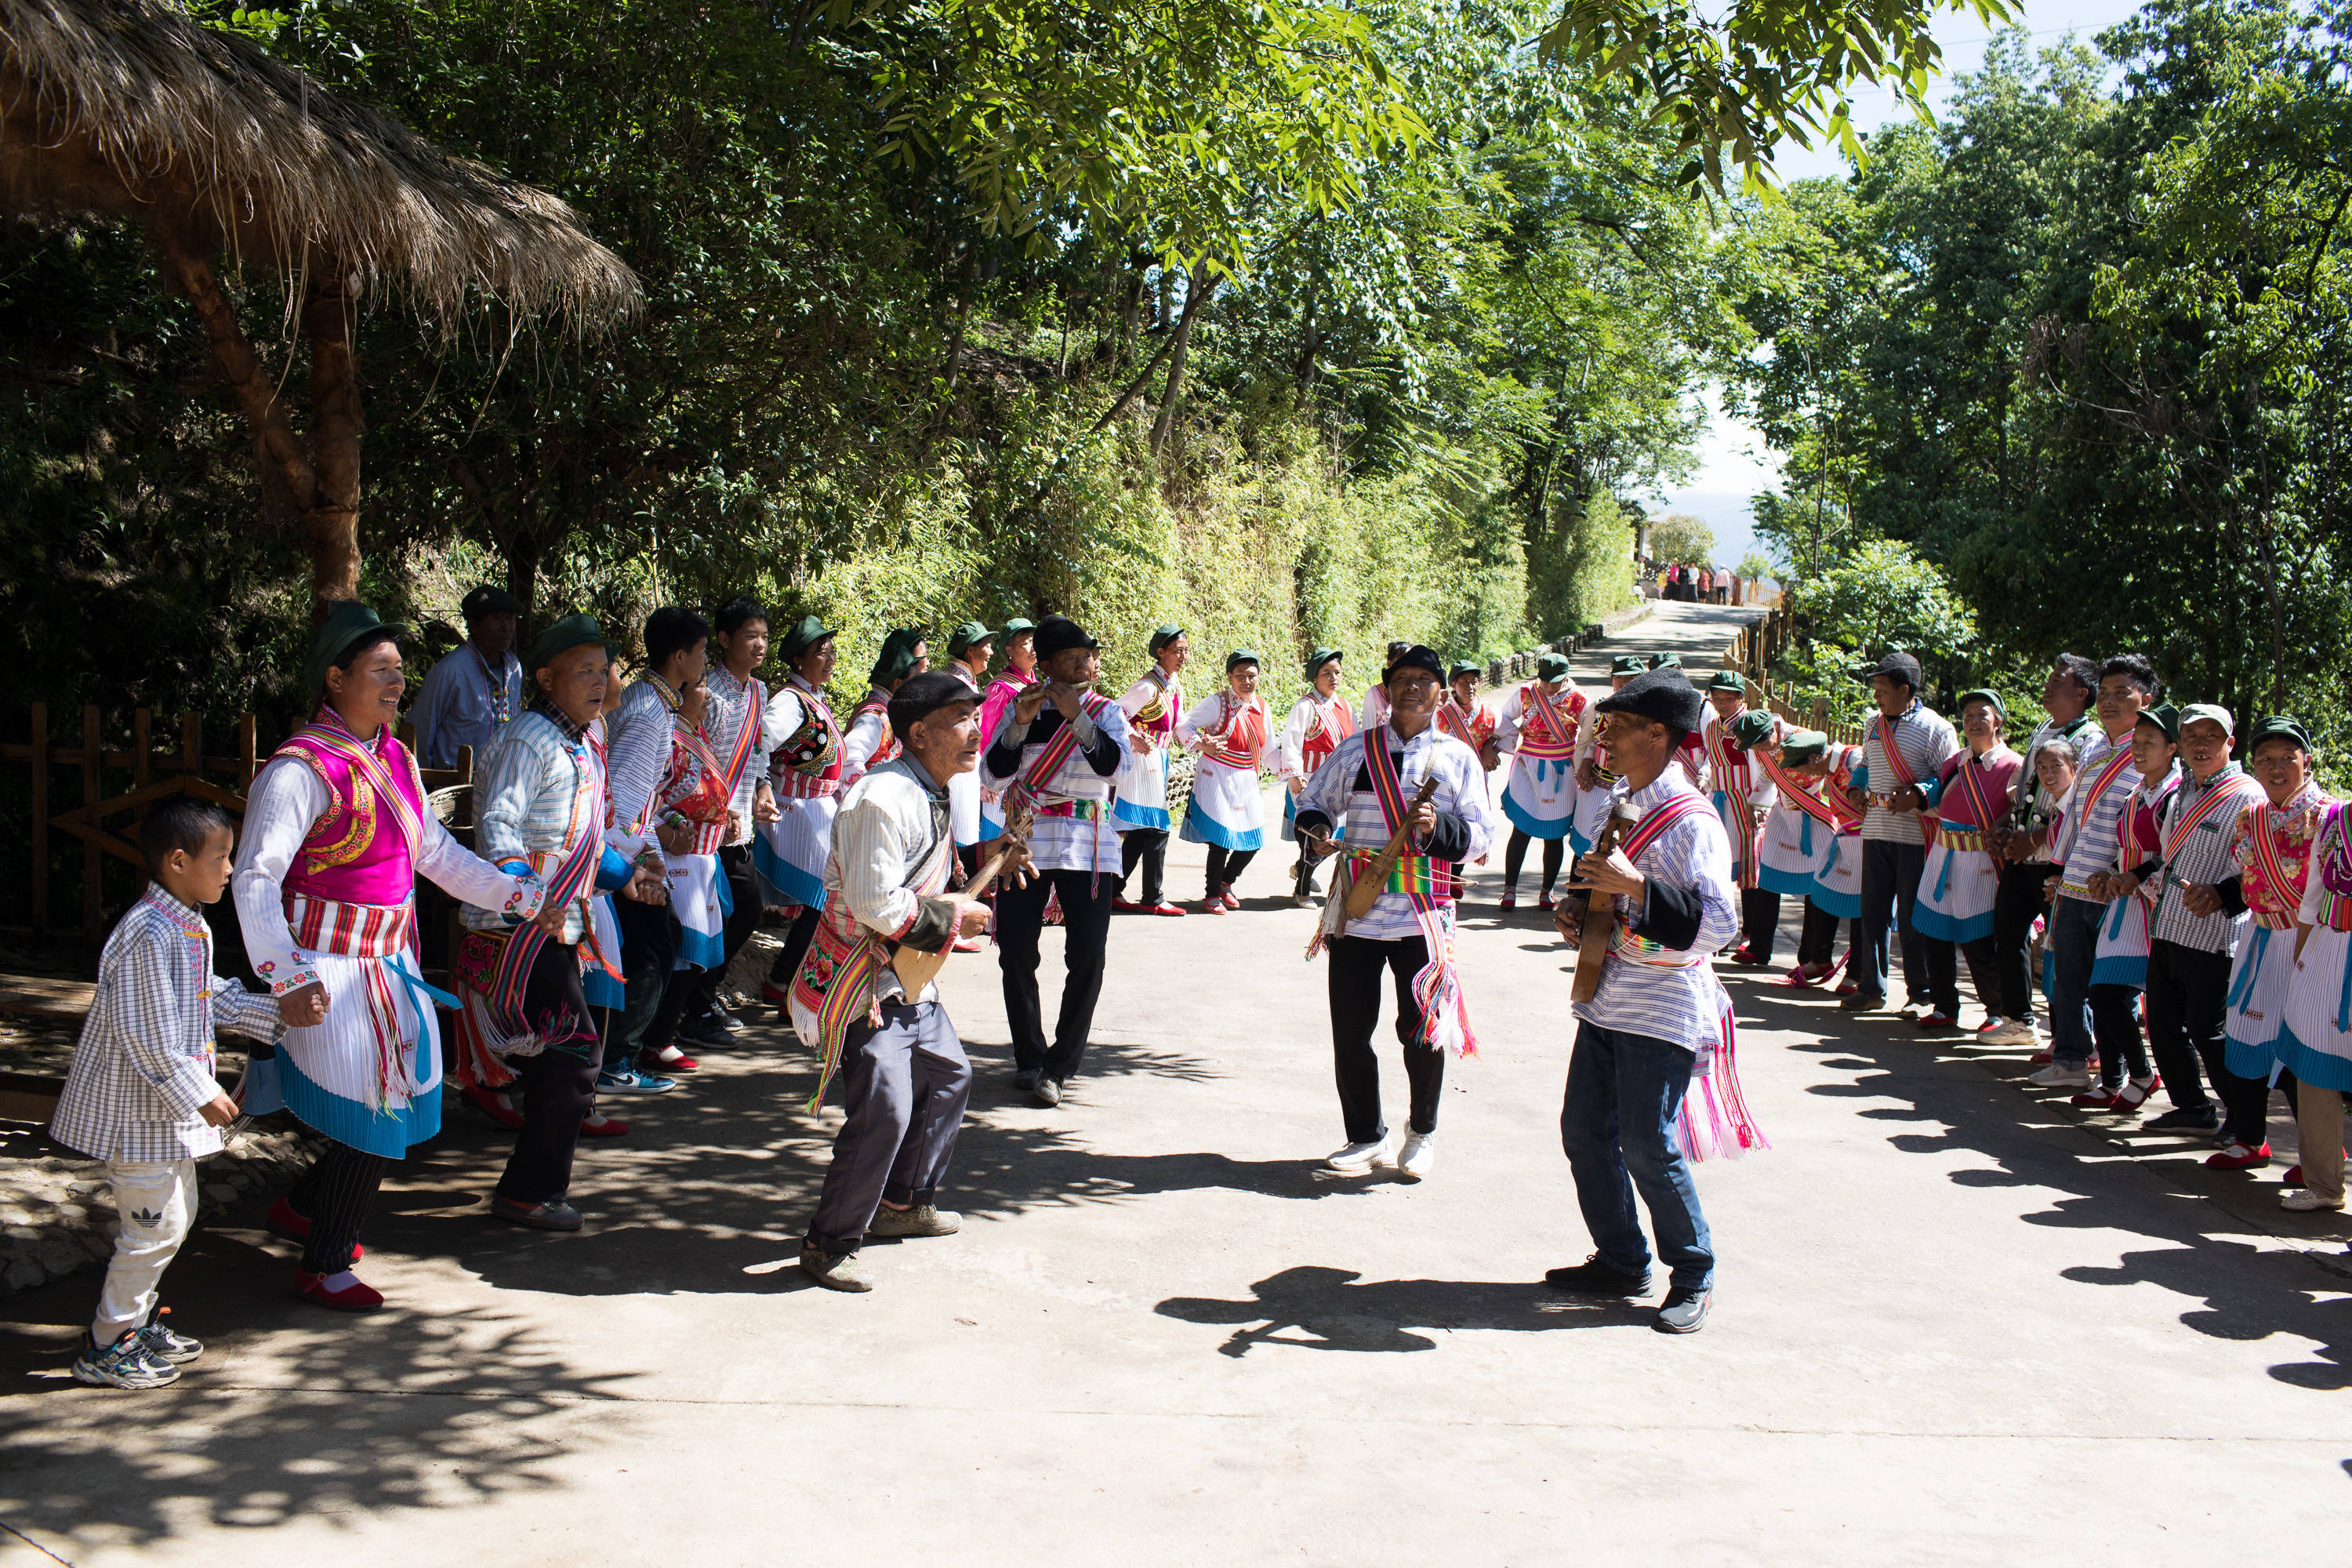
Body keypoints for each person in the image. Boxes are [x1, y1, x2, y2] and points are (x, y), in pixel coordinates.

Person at [234, 604, 541, 1310]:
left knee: (390, 1109)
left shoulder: (393, 757)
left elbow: (433, 853)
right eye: (382, 670)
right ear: (335, 678)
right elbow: (255, 877)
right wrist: (284, 975)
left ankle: (307, 1209)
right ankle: (325, 1263)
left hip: (390, 962)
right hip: (330, 967)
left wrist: (514, 895)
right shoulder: (299, 770)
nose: (398, 683)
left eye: (401, 671)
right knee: (375, 1115)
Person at [1547, 666, 1759, 1336]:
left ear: (1660, 735)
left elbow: (1721, 925)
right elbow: (1612, 883)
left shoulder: (1693, 819)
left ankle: (1693, 1271)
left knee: (1647, 1143)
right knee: (1583, 1132)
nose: (1602, 737)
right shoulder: (1625, 803)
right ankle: (1621, 1257)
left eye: (1619, 726)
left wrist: (1635, 891)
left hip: (1662, 1004)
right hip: (1608, 997)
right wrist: (1580, 908)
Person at [52, 799, 281, 1388]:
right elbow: (146, 1034)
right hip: (137, 1116)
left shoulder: (185, 922)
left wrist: (274, 1014)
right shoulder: (144, 935)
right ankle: (106, 1345)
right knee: (154, 1229)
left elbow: (209, 995)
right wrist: (201, 1092)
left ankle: (135, 1322)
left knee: (175, 1221)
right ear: (178, 861)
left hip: (164, 1118)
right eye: (222, 858)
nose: (230, 869)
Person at [794, 672, 1010, 1291]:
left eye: (976, 716)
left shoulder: (931, 791)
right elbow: (873, 903)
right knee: (885, 1110)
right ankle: (828, 1243)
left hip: (907, 973)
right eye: (961, 719)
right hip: (865, 979)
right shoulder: (881, 798)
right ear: (918, 733)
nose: (976, 731)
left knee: (948, 1079)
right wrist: (954, 913)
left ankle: (901, 1205)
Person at [453, 615, 666, 1230]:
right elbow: (499, 825)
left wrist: (626, 875)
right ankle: (528, 1191)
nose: (600, 682)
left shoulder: (585, 740)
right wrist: (527, 896)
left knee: (563, 1048)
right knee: (574, 1052)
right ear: (546, 679)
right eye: (584, 671)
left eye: (605, 670)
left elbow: (581, 838)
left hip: (558, 920)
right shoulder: (528, 740)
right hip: (518, 925)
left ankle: (533, 1183)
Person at [1294, 645, 1496, 1178]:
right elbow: (1315, 801)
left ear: (1442, 692)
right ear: (1385, 691)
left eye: (1425, 680)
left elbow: (1480, 838)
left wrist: (1437, 830)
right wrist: (1315, 832)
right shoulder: (1356, 750)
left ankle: (1422, 1132)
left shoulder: (1457, 758)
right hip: (1358, 911)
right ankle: (1366, 1136)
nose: (1412, 687)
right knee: (1351, 1030)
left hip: (1422, 915)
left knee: (1422, 1030)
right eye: (1402, 679)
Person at [985, 615, 1133, 1105]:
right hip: (1027, 841)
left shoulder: (1107, 712)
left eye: (1087, 655)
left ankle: (1060, 1065)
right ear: (1046, 665)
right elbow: (994, 773)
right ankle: (1029, 1056)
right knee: (1016, 950)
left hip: (1088, 844)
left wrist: (1079, 719)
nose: (1083, 664)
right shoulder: (1022, 709)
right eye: (1070, 658)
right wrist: (1019, 727)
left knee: (1088, 954)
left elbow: (1116, 770)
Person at [2214, 719, 2336, 1202]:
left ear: (2307, 760)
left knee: (2299, 1045)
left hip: (2308, 942)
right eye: (2265, 758)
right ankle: (2249, 1136)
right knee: (2245, 1032)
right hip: (2260, 936)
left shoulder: (2328, 815)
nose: (2276, 766)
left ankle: (2320, 1158)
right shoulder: (2253, 815)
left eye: (2288, 756)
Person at [2023, 655, 2159, 1087]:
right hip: (2076, 882)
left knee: (2109, 991)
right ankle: (2071, 1061)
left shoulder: (2151, 752)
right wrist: (2058, 869)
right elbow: (2074, 815)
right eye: (2107, 693)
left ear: (2147, 699)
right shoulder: (2097, 746)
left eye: (2125, 693)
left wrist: (2124, 872)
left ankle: (2117, 1073)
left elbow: (2151, 825)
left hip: (2116, 889)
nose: (2111, 702)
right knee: (2068, 979)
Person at [2133, 706, 2267, 1132]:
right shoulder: (2183, 790)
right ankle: (2192, 1106)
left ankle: (2245, 1122)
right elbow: (2168, 858)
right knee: (2163, 1026)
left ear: (2230, 743)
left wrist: (2222, 895)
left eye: (2212, 736)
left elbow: (2260, 868)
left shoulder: (2248, 796)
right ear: (2181, 745)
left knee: (2210, 1033)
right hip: (2169, 926)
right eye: (2191, 736)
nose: (2201, 744)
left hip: (2214, 936)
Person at [593, 608, 706, 1090]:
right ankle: (617, 1059)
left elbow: (641, 794)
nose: (705, 662)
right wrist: (640, 857)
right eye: (701, 653)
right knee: (653, 950)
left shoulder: (651, 702)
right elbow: (621, 796)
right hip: (617, 851)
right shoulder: (649, 711)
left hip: (624, 846)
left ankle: (621, 1053)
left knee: (654, 944)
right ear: (679, 656)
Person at [671, 597, 784, 1042]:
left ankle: (703, 995)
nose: (759, 646)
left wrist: (761, 787)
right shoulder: (704, 691)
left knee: (746, 909)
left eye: (764, 637)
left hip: (737, 821)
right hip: (701, 823)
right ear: (723, 640)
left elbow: (756, 749)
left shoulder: (758, 691)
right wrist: (718, 807)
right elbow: (688, 755)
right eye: (750, 636)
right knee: (714, 914)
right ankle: (695, 1008)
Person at [1983, 655, 2098, 1047]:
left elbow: (2082, 801)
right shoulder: (2043, 729)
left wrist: (2037, 837)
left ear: (2081, 692)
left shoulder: (2091, 739)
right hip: (2022, 856)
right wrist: (2003, 824)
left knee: (2064, 948)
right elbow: (2024, 787)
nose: (2047, 686)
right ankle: (2019, 1020)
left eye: (2057, 680)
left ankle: (2074, 1036)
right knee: (2008, 932)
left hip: (2058, 860)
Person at [2072, 704, 2181, 1109]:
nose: (2138, 749)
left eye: (2149, 742)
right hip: (2124, 905)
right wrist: (2111, 872)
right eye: (2135, 742)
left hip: (2152, 906)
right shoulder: (2138, 793)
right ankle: (2116, 1075)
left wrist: (2134, 876)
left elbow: (2168, 855)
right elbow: (2127, 850)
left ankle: (2143, 1074)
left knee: (2114, 996)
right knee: (2101, 993)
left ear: (2172, 748)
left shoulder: (2175, 795)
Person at [1846, 652, 1959, 1014]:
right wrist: (1855, 787)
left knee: (1913, 916)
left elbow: (1950, 777)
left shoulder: (1936, 728)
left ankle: (1920, 992)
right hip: (1876, 829)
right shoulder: (1872, 724)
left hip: (1916, 835)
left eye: (1882, 689)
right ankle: (1871, 986)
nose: (1876, 697)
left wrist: (1920, 793)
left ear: (1905, 689)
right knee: (1873, 912)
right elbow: (1865, 765)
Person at [1911, 690, 2021, 1032]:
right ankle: (1945, 1007)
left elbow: (2019, 811)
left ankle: (1996, 1010)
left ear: (1998, 721)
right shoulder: (1954, 762)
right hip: (1945, 852)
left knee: (1978, 938)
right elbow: (1941, 802)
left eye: (1982, 715)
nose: (1974, 721)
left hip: (1980, 858)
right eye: (1969, 716)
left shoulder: (2013, 766)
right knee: (1935, 932)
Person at [756, 616, 848, 1016]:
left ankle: (788, 982)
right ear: (799, 658)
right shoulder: (790, 702)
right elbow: (758, 741)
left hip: (815, 812)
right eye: (820, 651)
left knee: (824, 899)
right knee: (822, 899)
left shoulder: (811, 698)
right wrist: (762, 785)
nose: (829, 657)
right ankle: (783, 982)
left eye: (830, 650)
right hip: (793, 813)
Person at [1755, 728, 1863, 987]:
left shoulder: (1855, 760)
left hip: (1870, 841)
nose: (1804, 775)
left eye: (1802, 767)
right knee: (1822, 889)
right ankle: (1820, 958)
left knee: (1862, 908)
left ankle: (1858, 972)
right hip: (1847, 838)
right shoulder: (1829, 766)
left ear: (1815, 758)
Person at [1178, 649, 1276, 912]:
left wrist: (1290, 773)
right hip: (1217, 775)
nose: (1246, 681)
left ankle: (1226, 882)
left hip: (1246, 778)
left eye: (1251, 676)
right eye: (1240, 676)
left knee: (1252, 841)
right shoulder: (1217, 704)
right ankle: (1211, 895)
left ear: (1259, 678)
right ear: (1230, 678)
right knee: (1222, 839)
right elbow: (1182, 725)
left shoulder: (1261, 708)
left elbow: (1269, 751)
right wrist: (1201, 744)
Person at [1493, 653, 1588, 911]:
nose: (1549, 686)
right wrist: (1514, 737)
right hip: (1528, 766)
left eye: (1555, 682)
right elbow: (1502, 718)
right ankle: (1509, 889)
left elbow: (1589, 731)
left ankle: (1547, 891)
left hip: (1561, 770)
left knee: (1554, 834)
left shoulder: (1579, 699)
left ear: (1565, 677)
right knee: (1521, 828)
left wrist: (1584, 761)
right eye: (1545, 681)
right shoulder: (1526, 693)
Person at [1698, 673, 1781, 964]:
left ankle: (1751, 933)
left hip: (1747, 800)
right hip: (1720, 798)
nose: (1721, 704)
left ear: (1741, 699)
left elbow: (1761, 766)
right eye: (1716, 698)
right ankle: (1720, 931)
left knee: (1750, 866)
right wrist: (1706, 776)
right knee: (1718, 866)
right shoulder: (1710, 727)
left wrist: (1758, 804)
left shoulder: (1750, 726)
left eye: (1728, 698)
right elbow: (1712, 758)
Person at [1112, 624, 1190, 916]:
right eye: (1177, 651)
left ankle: (1113, 890)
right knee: (1157, 829)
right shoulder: (1147, 687)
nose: (1183, 656)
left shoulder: (1172, 685)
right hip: (1142, 759)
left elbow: (1179, 723)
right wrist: (1132, 736)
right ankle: (1152, 898)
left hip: (1158, 758)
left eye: (1185, 651)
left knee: (1142, 832)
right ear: (1161, 652)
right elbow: (1116, 712)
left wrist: (1197, 739)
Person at [411, 585, 525, 771]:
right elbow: (422, 729)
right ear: (473, 625)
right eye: (496, 619)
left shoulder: (514, 668)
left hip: (501, 783)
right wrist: (424, 782)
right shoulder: (451, 671)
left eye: (510, 619)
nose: (506, 627)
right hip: (455, 788)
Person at [1277, 647, 1356, 907]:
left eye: (1337, 673)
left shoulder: (1345, 707)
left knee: (1335, 836)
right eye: (1326, 673)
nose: (1333, 678)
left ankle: (1302, 870)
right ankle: (1302, 890)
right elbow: (1291, 743)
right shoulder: (1305, 706)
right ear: (1315, 677)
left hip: (1338, 782)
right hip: (1310, 782)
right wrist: (1294, 775)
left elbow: (1355, 742)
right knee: (1316, 836)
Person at [977, 619, 1037, 847]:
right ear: (1010, 650)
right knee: (998, 842)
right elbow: (985, 736)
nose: (1033, 648)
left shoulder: (1036, 684)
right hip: (1000, 778)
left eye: (1034, 642)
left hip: (1026, 778)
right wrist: (985, 781)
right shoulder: (1000, 688)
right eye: (1026, 643)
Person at [942, 620, 995, 884]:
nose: (991, 652)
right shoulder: (956, 685)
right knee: (961, 833)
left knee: (966, 831)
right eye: (986, 645)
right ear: (971, 651)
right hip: (957, 772)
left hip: (966, 769)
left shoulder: (965, 683)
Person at [1573, 655, 1644, 850]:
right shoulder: (1599, 706)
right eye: (1618, 678)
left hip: (1631, 787)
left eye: (1630, 679)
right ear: (1612, 679)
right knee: (1586, 844)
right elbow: (1585, 742)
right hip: (1596, 784)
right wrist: (1581, 770)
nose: (1623, 684)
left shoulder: (1647, 712)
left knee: (1624, 845)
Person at [1358, 640, 1411, 732]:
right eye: (1401, 660)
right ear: (1389, 663)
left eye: (1410, 659)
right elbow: (1368, 731)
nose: (1406, 664)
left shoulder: (1415, 691)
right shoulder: (1374, 694)